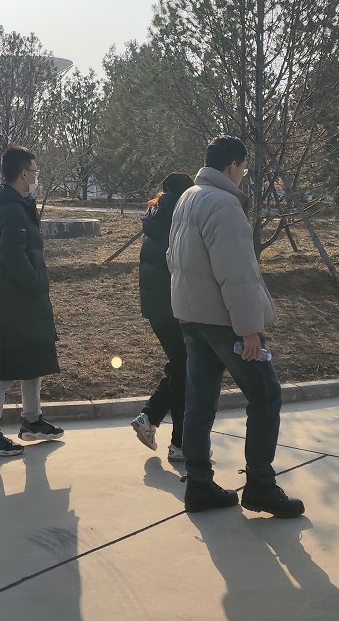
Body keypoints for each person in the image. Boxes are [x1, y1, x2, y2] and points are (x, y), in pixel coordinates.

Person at [169, 136, 303, 517]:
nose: (243, 174)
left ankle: (199, 485)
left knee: (199, 401)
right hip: (223, 320)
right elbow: (237, 274)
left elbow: (172, 258)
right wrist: (249, 329)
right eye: (243, 167)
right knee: (266, 393)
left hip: (191, 316)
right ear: (232, 165)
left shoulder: (188, 197)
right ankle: (260, 484)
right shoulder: (224, 204)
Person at [0, 145, 64, 457]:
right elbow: (13, 257)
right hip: (8, 303)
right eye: (35, 172)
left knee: (32, 357)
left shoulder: (13, 203)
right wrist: (36, 282)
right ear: (24, 173)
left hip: (19, 301)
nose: (36, 177)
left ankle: (32, 420)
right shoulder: (10, 208)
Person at [130, 172, 194, 465]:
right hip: (175, 306)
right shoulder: (178, 218)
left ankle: (150, 417)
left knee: (181, 366)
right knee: (186, 370)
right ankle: (179, 443)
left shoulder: (156, 215)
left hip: (157, 308)